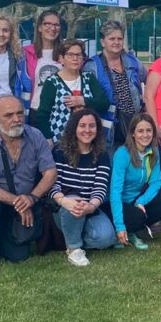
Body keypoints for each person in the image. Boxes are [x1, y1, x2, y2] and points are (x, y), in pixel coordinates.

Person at [0, 96, 57, 274]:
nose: (16, 119)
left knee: (19, 255)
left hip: (26, 199)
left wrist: (31, 198)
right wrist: (19, 201)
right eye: (9, 115)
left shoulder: (36, 136)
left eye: (19, 113)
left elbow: (51, 172)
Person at [49, 108, 116, 266]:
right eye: (82, 126)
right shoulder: (59, 151)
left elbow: (100, 188)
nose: (87, 130)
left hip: (88, 208)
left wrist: (91, 206)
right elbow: (52, 185)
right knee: (73, 202)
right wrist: (64, 201)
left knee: (106, 239)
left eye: (92, 126)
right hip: (63, 206)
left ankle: (69, 236)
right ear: (74, 128)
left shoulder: (101, 155)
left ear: (97, 129)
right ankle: (74, 248)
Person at [106, 114, 161, 250]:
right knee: (137, 216)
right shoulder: (123, 154)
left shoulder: (154, 151)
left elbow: (156, 182)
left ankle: (135, 228)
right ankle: (124, 230)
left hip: (136, 201)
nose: (145, 135)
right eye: (140, 131)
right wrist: (120, 225)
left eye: (149, 130)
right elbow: (115, 192)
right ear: (133, 133)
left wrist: (141, 201)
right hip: (116, 203)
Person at [84, 20, 147, 149]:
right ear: (103, 42)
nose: (116, 42)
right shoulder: (92, 66)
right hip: (107, 128)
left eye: (119, 38)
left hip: (133, 125)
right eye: (112, 38)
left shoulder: (132, 62)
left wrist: (146, 103)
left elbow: (150, 80)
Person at [36, 39, 109, 144]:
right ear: (61, 59)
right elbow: (42, 114)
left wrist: (83, 101)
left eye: (79, 55)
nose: (75, 58)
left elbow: (104, 103)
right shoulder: (52, 82)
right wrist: (48, 139)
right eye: (70, 55)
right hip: (60, 139)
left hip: (87, 139)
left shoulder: (88, 78)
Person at [24, 9, 63, 126]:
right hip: (35, 111)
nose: (52, 28)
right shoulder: (25, 53)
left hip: (61, 112)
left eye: (56, 25)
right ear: (40, 28)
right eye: (47, 24)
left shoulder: (67, 52)